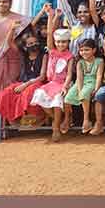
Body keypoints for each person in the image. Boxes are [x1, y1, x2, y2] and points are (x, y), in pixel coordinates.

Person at [0, 0, 31, 139]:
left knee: (9, 91)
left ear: (10, 3)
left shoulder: (20, 20)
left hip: (13, 60)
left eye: (4, 2)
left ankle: (8, 127)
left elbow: (26, 41)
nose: (1, 4)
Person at [30, 13, 74, 142]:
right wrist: (51, 16)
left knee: (57, 99)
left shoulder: (70, 56)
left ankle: (55, 128)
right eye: (58, 42)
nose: (61, 44)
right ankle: (57, 119)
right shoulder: (52, 52)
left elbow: (69, 74)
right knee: (39, 95)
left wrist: (65, 87)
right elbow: (49, 33)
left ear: (68, 42)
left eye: (63, 42)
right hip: (52, 83)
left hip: (63, 84)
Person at [0, 29, 47, 130]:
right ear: (25, 46)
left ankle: (34, 119)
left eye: (36, 42)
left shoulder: (44, 55)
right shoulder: (23, 55)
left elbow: (42, 76)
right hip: (24, 82)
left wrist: (25, 85)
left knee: (28, 92)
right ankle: (13, 118)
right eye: (30, 43)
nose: (34, 45)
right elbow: (9, 42)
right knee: (6, 93)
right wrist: (12, 29)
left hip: (38, 82)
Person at [63, 38, 105, 136]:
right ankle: (67, 119)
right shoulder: (79, 62)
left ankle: (86, 120)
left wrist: (96, 89)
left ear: (94, 50)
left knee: (84, 94)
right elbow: (80, 78)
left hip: (92, 82)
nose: (83, 52)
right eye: (81, 50)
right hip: (80, 83)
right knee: (67, 98)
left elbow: (99, 76)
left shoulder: (100, 61)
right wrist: (79, 90)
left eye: (87, 50)